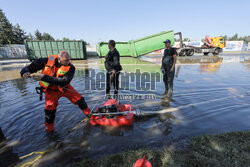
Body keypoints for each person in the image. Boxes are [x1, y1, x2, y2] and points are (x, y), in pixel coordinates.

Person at [20, 51, 91, 132]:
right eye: (66, 60)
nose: (68, 62)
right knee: (49, 113)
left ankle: (90, 115)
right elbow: (30, 67)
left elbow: (64, 81)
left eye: (69, 60)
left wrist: (44, 77)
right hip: (51, 91)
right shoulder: (45, 61)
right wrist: (24, 72)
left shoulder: (71, 67)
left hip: (65, 88)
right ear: (59, 59)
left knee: (80, 100)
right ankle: (49, 130)